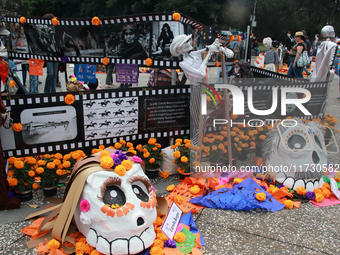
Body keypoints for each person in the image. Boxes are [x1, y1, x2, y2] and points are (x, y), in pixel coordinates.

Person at [43, 13, 59, 93]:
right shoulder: (45, 29)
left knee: (55, 74)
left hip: (56, 53)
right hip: (48, 53)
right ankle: (46, 91)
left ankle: (53, 91)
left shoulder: (56, 28)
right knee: (50, 73)